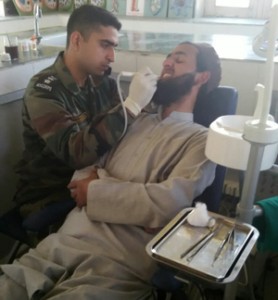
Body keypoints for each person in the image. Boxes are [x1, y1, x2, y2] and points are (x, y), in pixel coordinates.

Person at [0, 41, 221, 300]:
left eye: (179, 59)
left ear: (202, 77)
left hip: (119, 263)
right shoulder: (131, 118)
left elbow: (166, 204)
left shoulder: (202, 141)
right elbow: (85, 167)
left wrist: (96, 188)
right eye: (168, 56)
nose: (166, 63)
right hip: (65, 241)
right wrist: (134, 200)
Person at [13, 4, 157, 219]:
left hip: (96, 181)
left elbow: (126, 132)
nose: (112, 57)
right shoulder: (44, 90)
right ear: (77, 40)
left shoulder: (103, 83)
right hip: (50, 194)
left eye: (114, 47)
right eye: (105, 45)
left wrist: (148, 104)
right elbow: (76, 154)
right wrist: (131, 106)